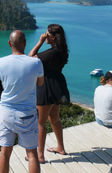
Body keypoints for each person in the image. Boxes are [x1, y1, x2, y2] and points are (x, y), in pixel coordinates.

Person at [0, 30, 44, 173]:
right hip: (27, 114)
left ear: (9, 43)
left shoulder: (1, 62)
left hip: (6, 112)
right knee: (32, 154)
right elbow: (40, 83)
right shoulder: (36, 62)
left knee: (5, 153)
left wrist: (7, 91)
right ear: (25, 43)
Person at [28, 24, 70, 163]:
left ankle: (39, 156)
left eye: (46, 34)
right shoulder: (61, 51)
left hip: (46, 88)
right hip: (58, 87)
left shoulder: (51, 53)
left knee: (40, 123)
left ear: (52, 37)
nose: (44, 35)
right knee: (55, 120)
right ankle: (60, 147)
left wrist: (39, 42)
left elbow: (29, 58)